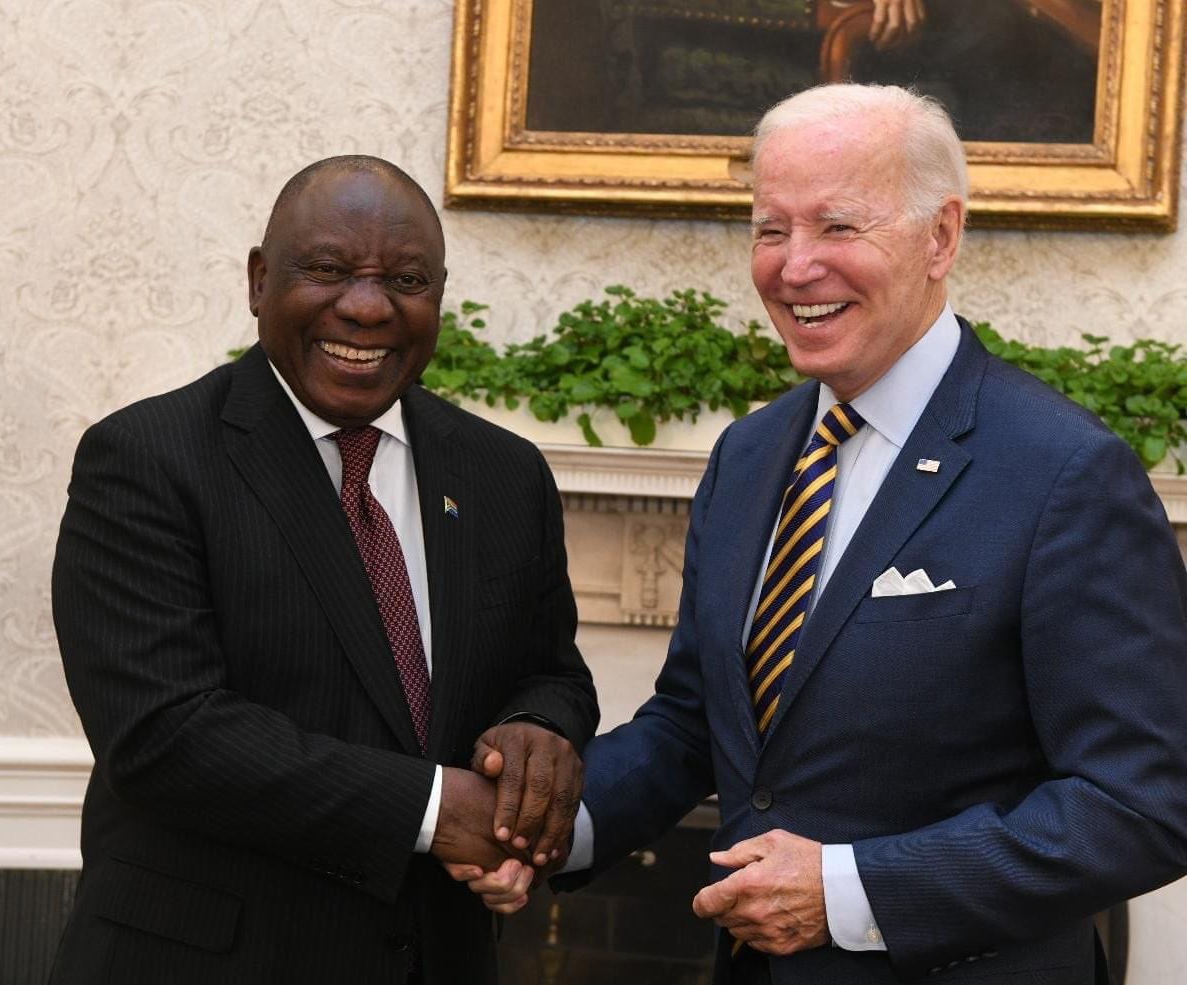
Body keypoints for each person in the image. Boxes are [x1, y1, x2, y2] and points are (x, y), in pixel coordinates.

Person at [464, 84, 1187, 983]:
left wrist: (851, 889)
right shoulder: (750, 453)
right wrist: (542, 831)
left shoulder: (1065, 474)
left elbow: (1142, 804)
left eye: (839, 227)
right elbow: (695, 724)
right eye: (771, 229)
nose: (795, 266)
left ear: (942, 237)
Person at [49, 155, 598, 985]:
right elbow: (164, 736)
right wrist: (437, 808)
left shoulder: (503, 473)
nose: (369, 305)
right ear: (260, 281)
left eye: (407, 279)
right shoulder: (148, 460)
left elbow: (550, 671)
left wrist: (534, 733)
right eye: (330, 270)